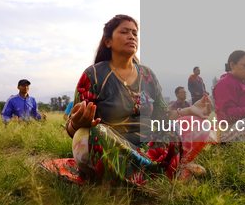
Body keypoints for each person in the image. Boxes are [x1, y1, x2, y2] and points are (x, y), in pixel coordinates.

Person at [65, 14, 213, 186]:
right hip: (113, 146)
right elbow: (71, 128)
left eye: (135, 33)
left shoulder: (147, 75)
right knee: (84, 137)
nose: (131, 36)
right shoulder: (93, 75)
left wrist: (190, 110)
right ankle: (163, 174)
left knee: (197, 124)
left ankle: (129, 176)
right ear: (108, 42)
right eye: (124, 32)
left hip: (149, 146)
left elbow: (162, 116)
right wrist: (77, 123)